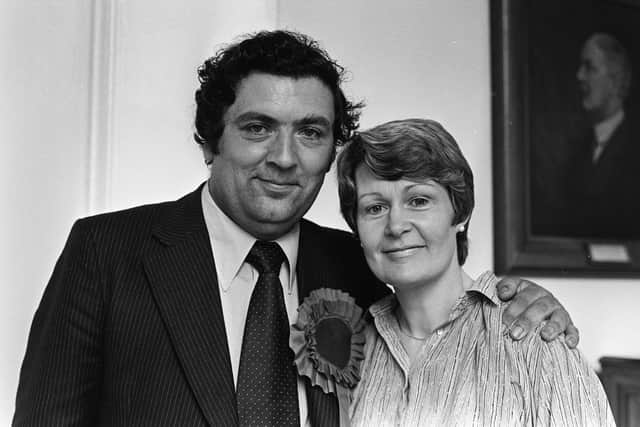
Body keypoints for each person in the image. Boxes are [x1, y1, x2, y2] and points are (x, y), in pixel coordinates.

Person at [14, 30, 577, 426]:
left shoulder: (362, 264)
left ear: (331, 151)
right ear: (211, 141)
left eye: (310, 132)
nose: (285, 158)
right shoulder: (107, 252)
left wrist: (527, 299)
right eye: (258, 128)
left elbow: (441, 311)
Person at [337, 119, 614, 426]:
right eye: (375, 208)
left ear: (460, 212)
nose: (395, 226)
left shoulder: (534, 341)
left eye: (418, 201)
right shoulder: (353, 351)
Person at [563, 32, 640, 238]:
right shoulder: (577, 151)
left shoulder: (634, 148)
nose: (580, 76)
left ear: (615, 80)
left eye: (590, 67)